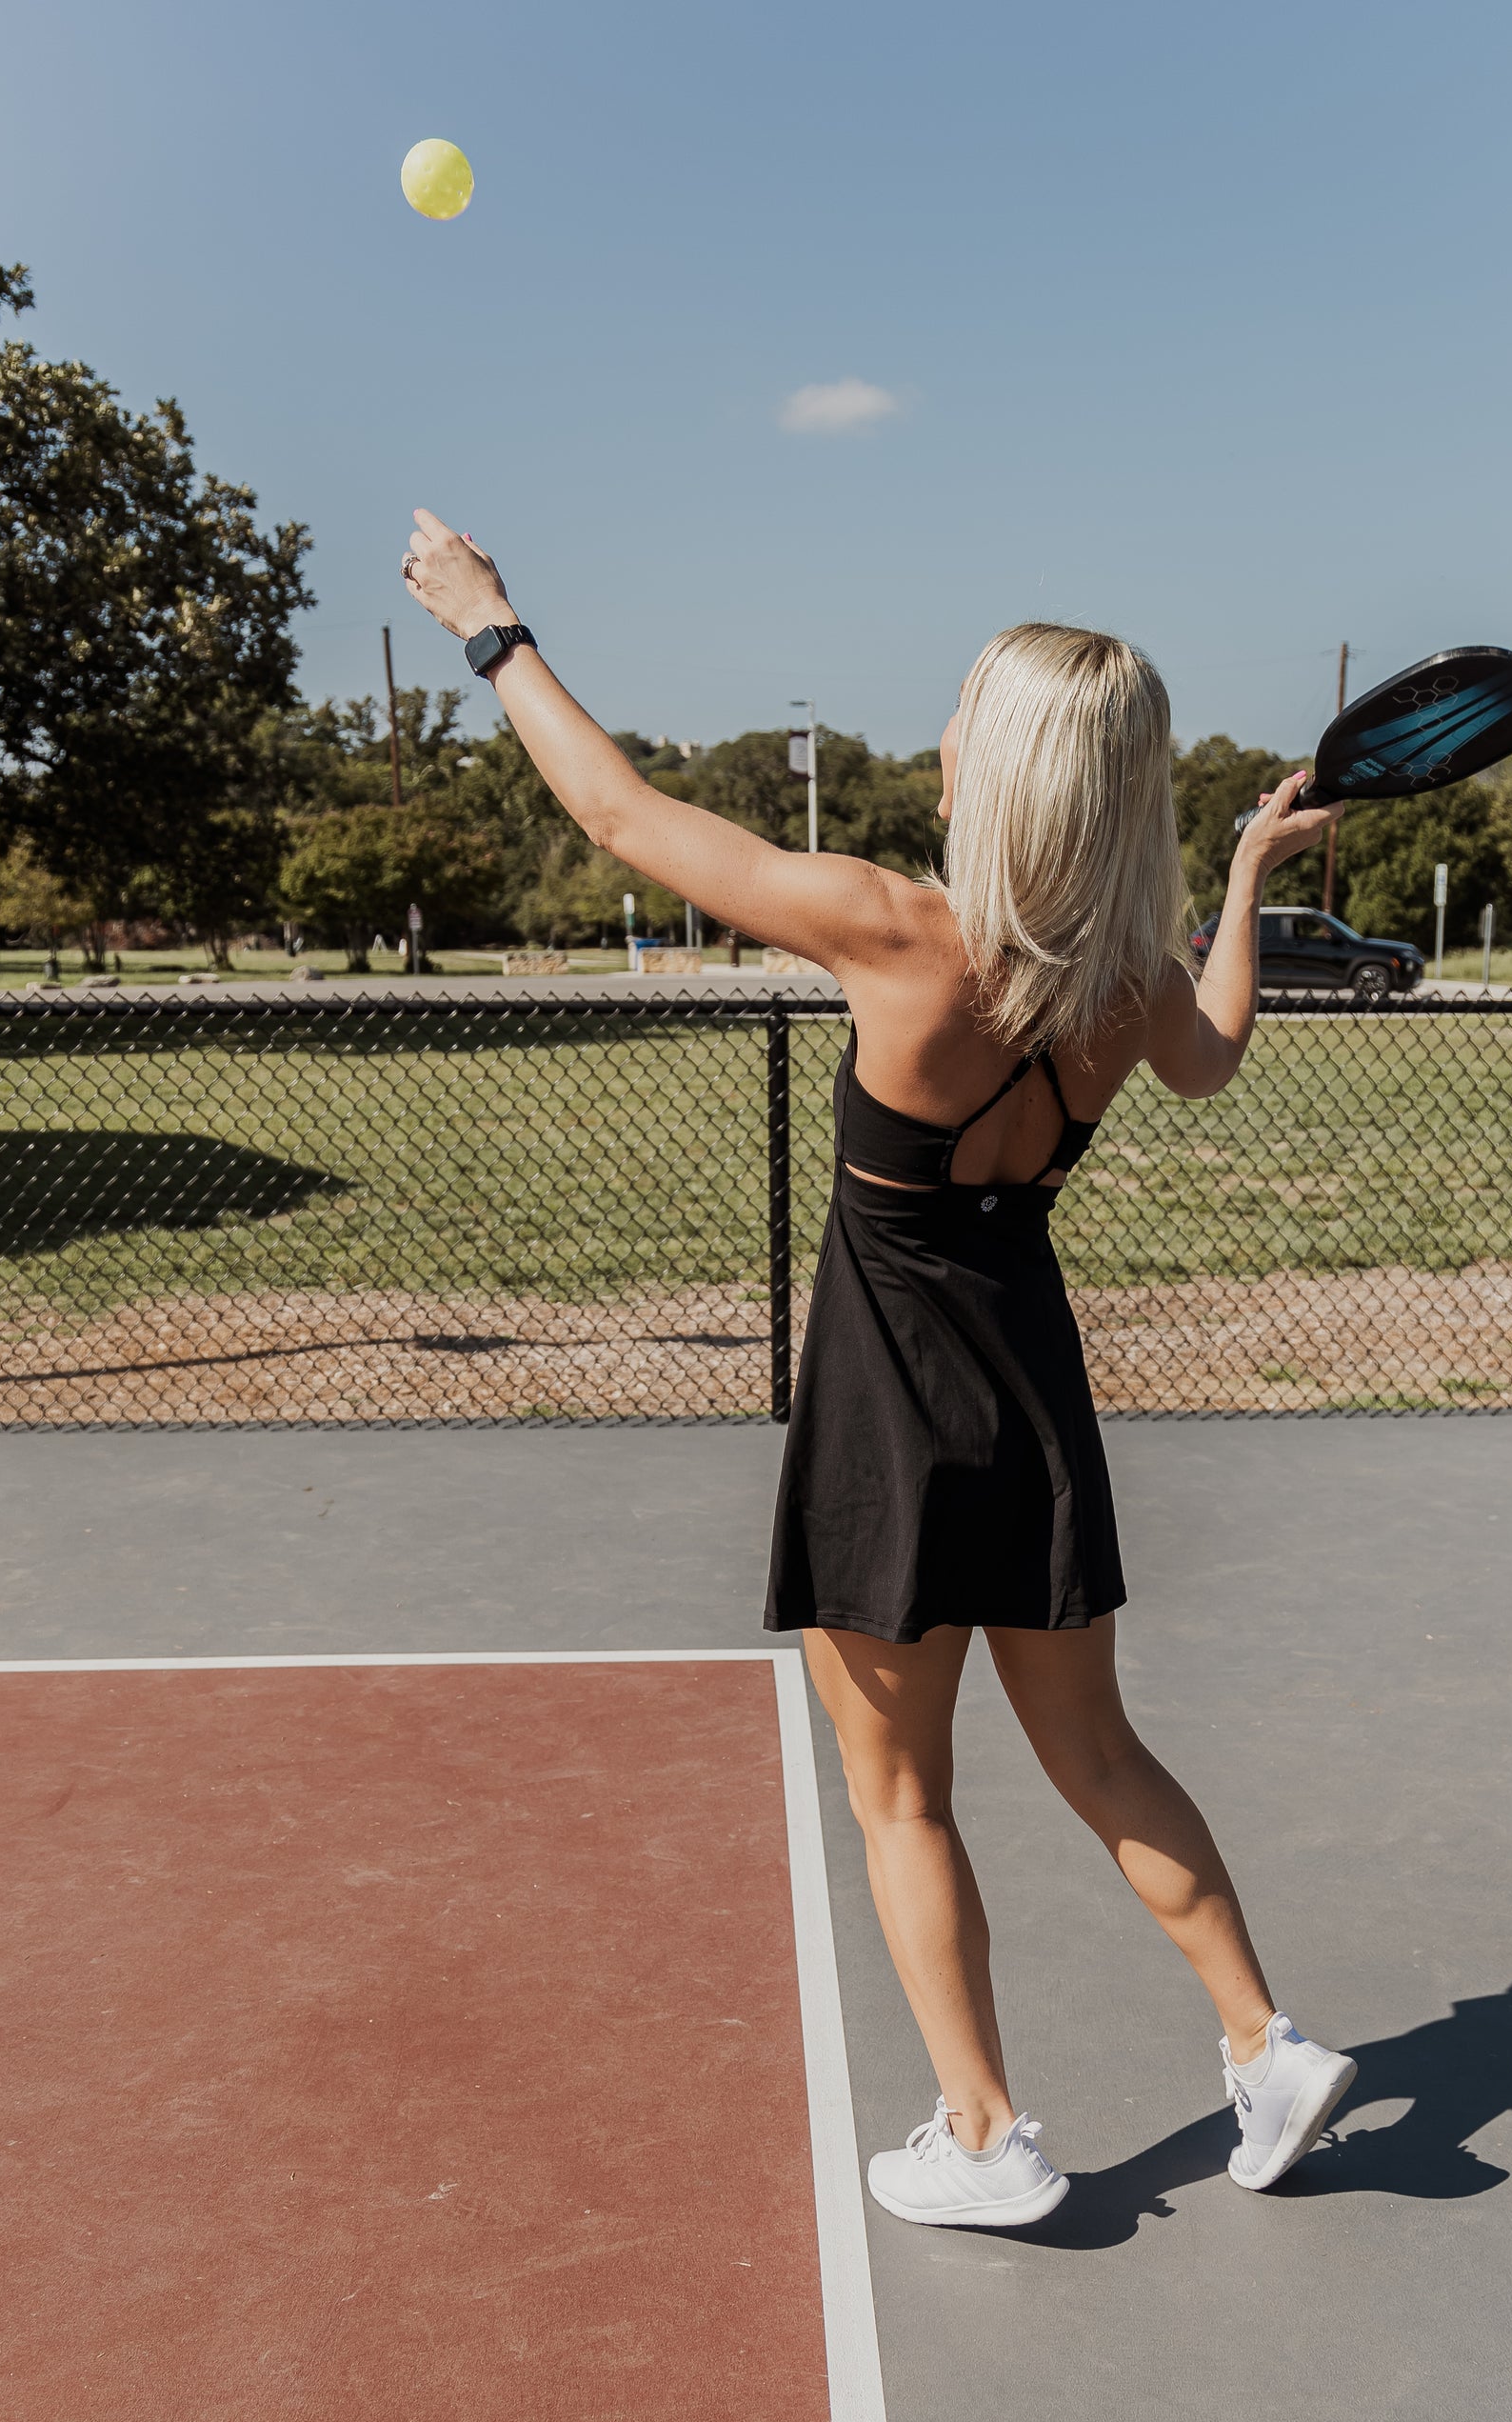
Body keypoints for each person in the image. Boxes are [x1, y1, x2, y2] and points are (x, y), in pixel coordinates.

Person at [400, 510, 1358, 2230]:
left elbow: (616, 813)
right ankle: (1264, 2045)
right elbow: (1209, 1061)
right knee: (1102, 1756)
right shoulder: (1120, 981)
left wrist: (490, 628)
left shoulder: (897, 930)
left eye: (959, 715)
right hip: (1035, 1399)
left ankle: (985, 2138)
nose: (933, 734)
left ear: (994, 769)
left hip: (894, 1421)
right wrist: (1236, 880)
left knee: (896, 1786)